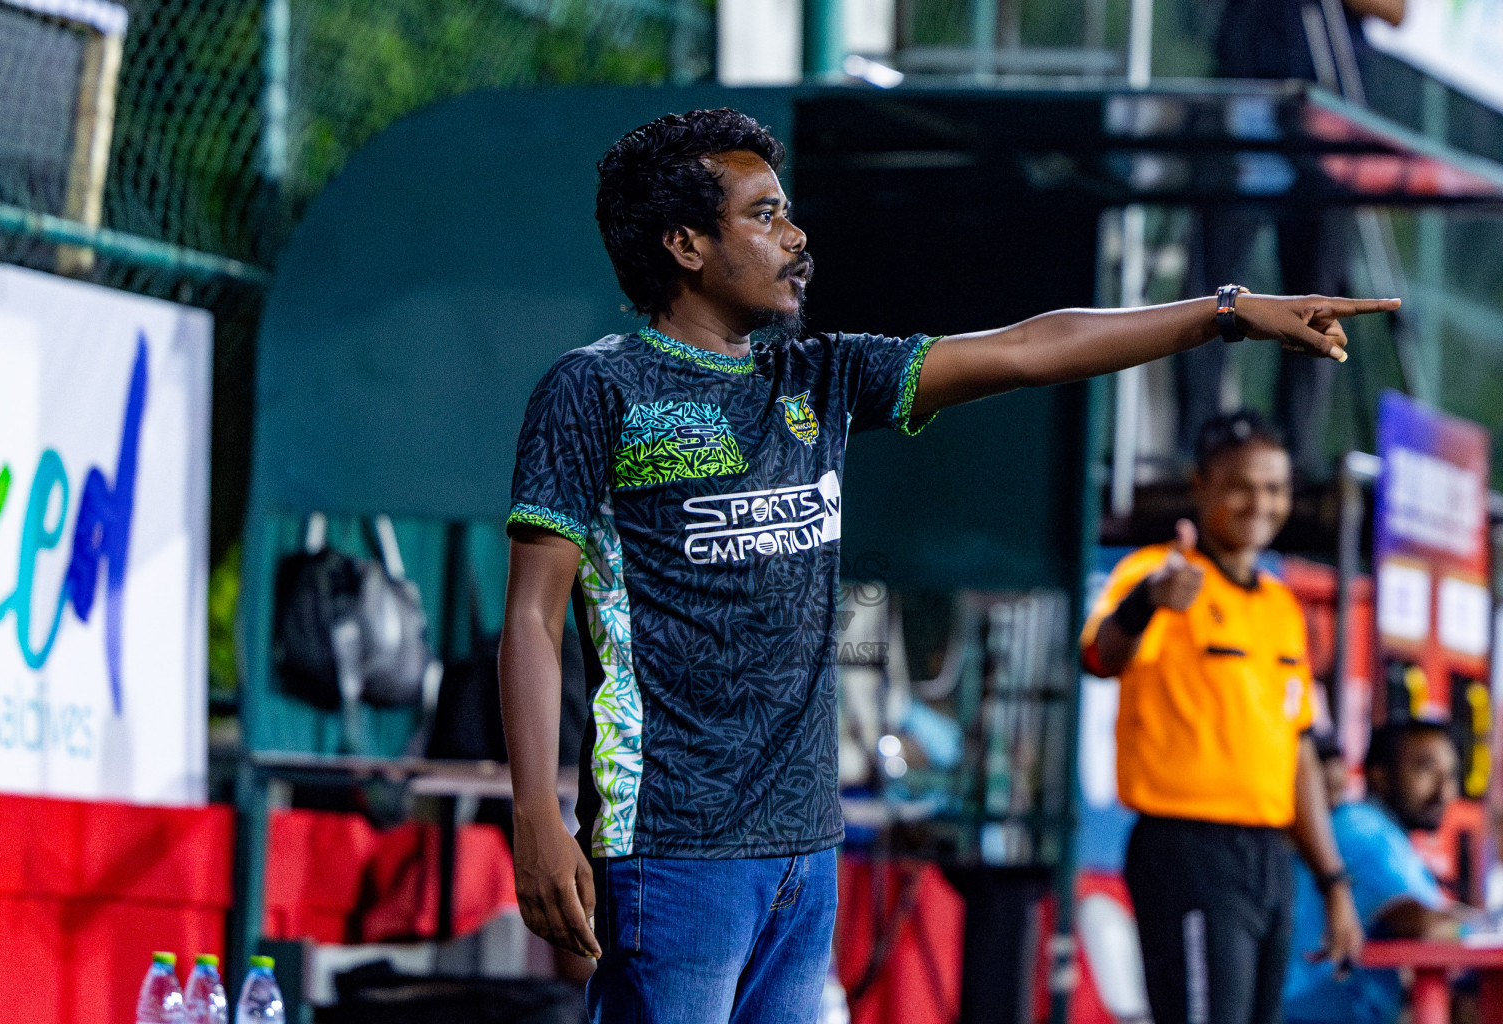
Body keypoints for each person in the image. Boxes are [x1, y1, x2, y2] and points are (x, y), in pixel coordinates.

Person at [499, 107, 1396, 1024]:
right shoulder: (595, 390)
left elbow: (1028, 348)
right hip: (673, 842)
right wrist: (535, 811)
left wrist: (1227, 314)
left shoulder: (822, 380)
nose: (797, 236)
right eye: (764, 215)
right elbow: (532, 615)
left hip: (805, 849)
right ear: (685, 244)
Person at [1081, 411, 1362, 1024]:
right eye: (1242, 485)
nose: (1260, 503)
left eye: (1275, 488)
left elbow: (1299, 753)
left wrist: (1334, 882)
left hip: (1269, 859)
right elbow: (1102, 656)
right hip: (1186, 849)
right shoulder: (1158, 573)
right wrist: (1149, 601)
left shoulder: (1284, 608)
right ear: (1201, 484)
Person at [1178, 0, 1407, 475]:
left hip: (1326, 107)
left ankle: (1294, 458)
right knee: (1211, 288)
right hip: (1246, 93)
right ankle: (1195, 451)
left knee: (1318, 296)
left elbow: (1396, 10)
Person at [1284, 720, 1478, 1024]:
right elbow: (1422, 923)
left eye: (1451, 775)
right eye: (1426, 770)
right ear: (1379, 776)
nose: (1445, 791)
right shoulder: (1365, 829)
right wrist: (1487, 924)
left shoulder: (1383, 832)